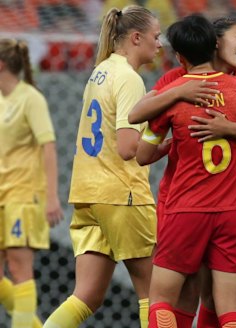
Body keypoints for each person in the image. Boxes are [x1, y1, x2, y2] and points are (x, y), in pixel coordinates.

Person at [128, 15, 236, 328]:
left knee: (172, 298)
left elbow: (141, 146)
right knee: (219, 302)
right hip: (229, 206)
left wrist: (221, 126)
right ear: (215, 42)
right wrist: (182, 94)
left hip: (187, 205)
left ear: (181, 55)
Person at [43, 5, 161, 328]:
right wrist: (164, 145)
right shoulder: (129, 78)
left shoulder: (100, 71)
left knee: (85, 297)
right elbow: (127, 148)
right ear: (136, 38)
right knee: (155, 295)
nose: (160, 44)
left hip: (87, 195)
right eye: (156, 36)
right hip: (121, 194)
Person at [0, 38, 63, 328]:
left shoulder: (30, 98)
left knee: (19, 268)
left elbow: (48, 147)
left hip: (24, 195)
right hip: (2, 195)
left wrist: (51, 197)